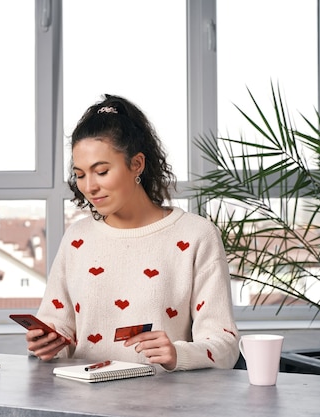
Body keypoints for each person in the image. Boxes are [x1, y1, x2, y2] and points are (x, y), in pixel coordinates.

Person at [26, 94, 240, 371]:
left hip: (164, 407)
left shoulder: (196, 235)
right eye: (80, 174)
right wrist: (47, 344)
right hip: (81, 402)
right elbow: (59, 330)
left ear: (137, 164)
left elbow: (224, 344)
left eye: (101, 171)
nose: (89, 186)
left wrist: (178, 354)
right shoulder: (77, 239)